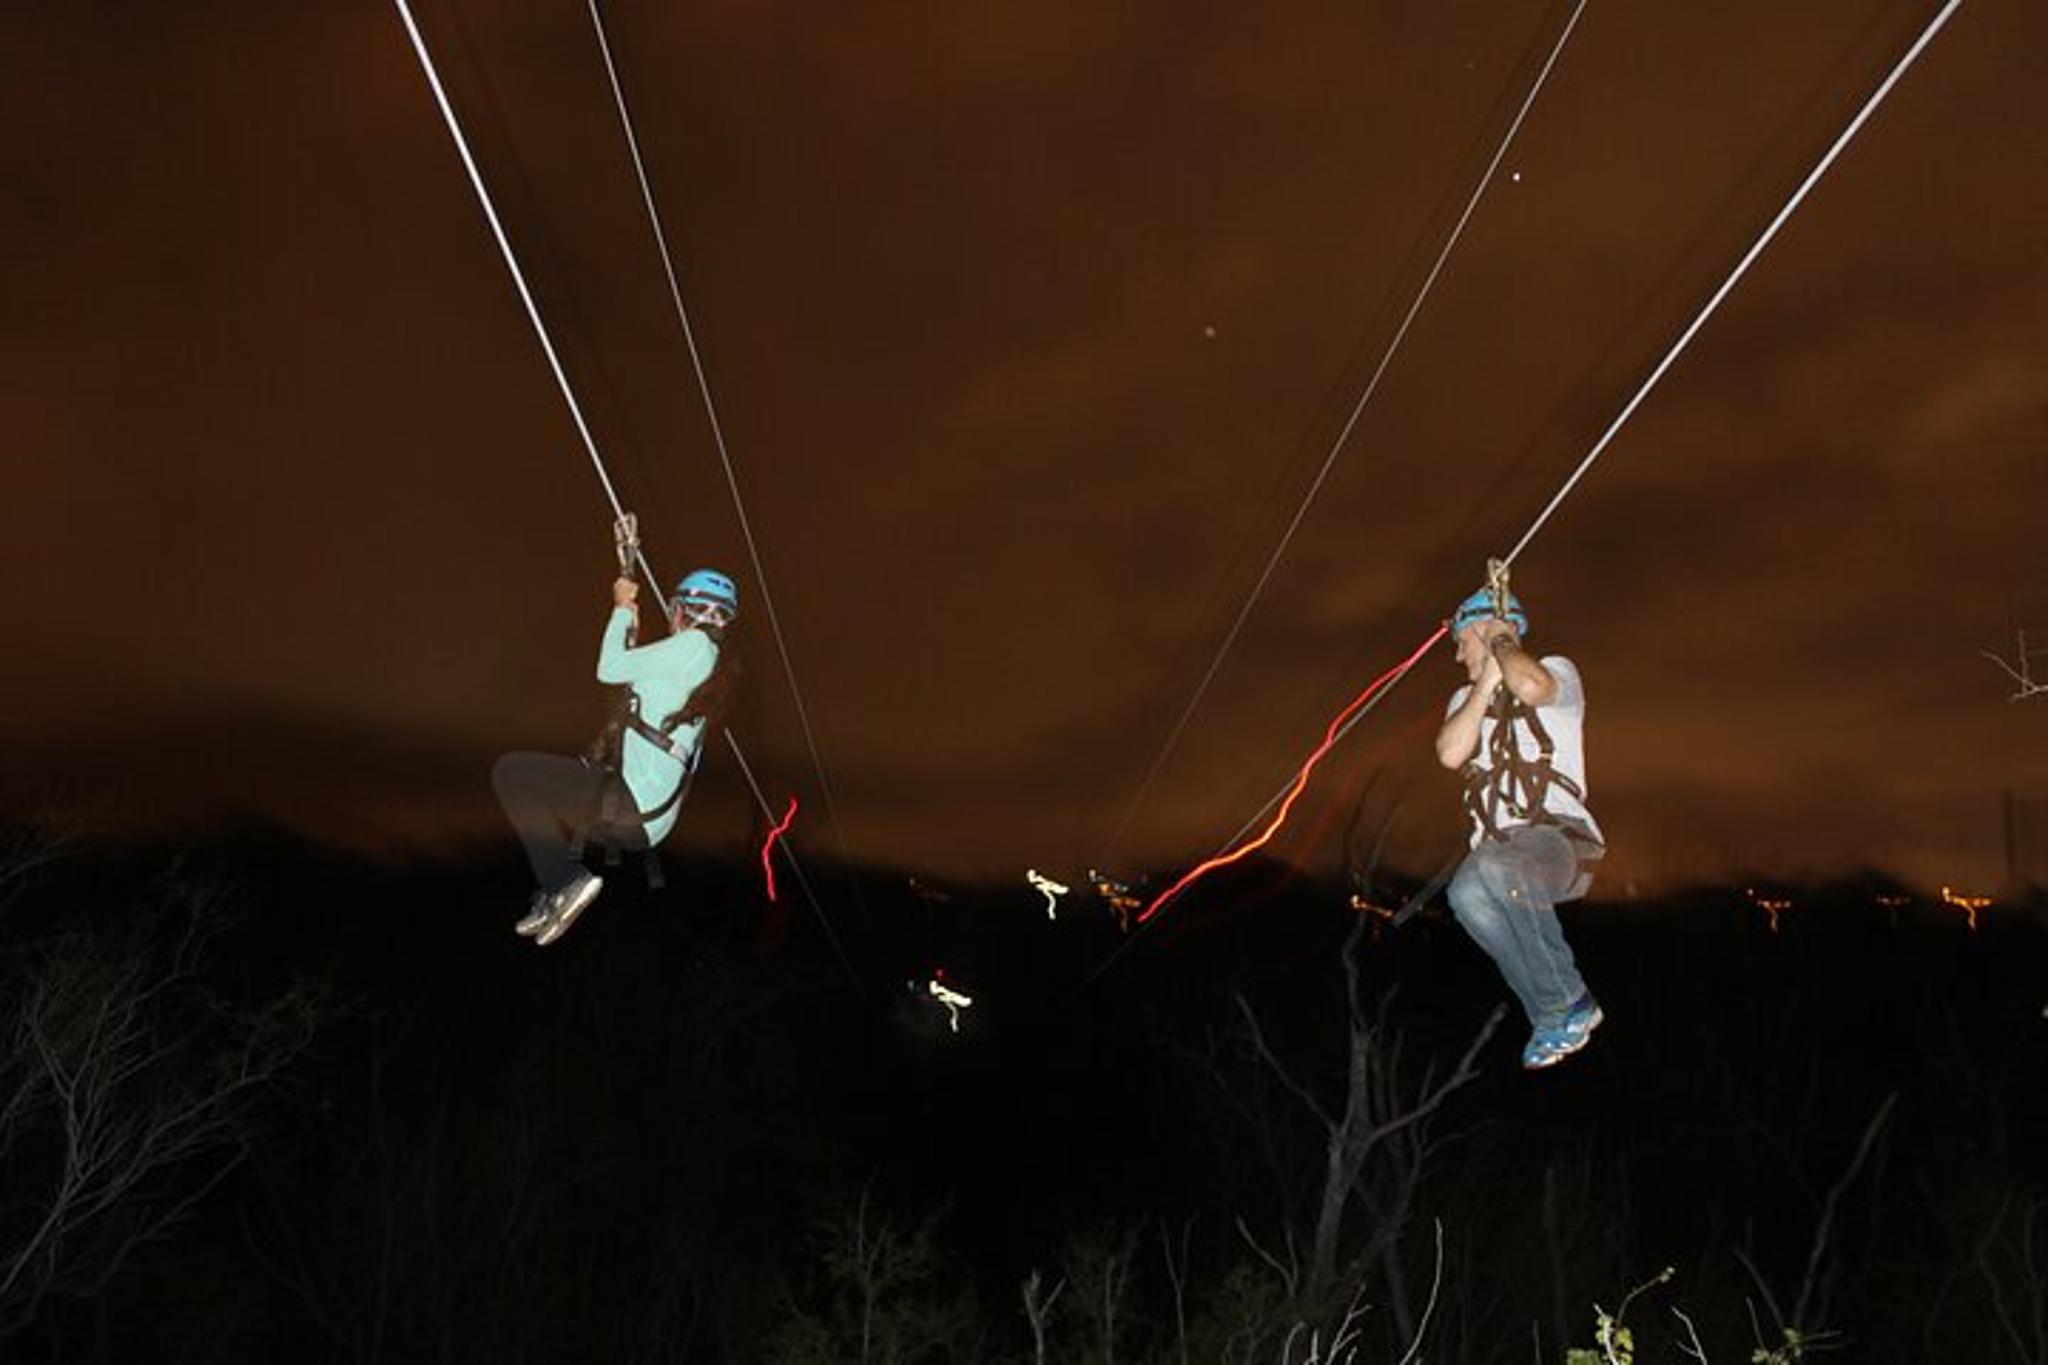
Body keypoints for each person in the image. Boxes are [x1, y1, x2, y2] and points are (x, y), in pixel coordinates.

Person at [492, 568, 739, 946]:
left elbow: (608, 669)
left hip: (632, 803)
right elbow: (630, 682)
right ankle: (556, 886)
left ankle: (564, 882)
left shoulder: (693, 647)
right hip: (645, 818)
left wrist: (622, 606)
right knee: (534, 782)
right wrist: (629, 630)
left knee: (511, 773)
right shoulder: (703, 665)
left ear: (685, 610)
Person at [1434, 581, 1605, 1069]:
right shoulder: (1464, 700)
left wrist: (1502, 642)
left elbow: (1529, 687)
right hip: (1501, 857)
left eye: (1462, 641)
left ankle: (1571, 999)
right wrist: (1485, 683)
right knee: (1465, 894)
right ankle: (1552, 1013)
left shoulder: (1557, 672)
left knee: (1494, 867)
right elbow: (1450, 752)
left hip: (1559, 841)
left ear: (1482, 631)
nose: (1457, 654)